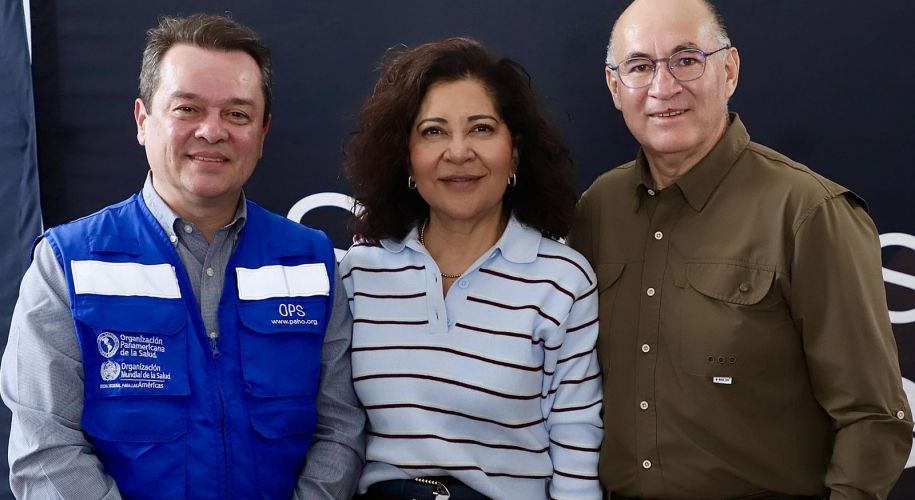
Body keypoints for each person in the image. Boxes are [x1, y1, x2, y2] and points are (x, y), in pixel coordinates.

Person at [0, 14, 364, 499]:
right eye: (187, 109)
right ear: (142, 120)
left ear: (262, 133)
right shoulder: (67, 265)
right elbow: (45, 450)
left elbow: (340, 431)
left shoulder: (312, 263)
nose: (212, 131)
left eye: (237, 114)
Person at [567, 0, 913, 498]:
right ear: (615, 86)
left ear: (728, 70)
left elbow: (873, 418)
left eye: (686, 60)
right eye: (639, 66)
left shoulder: (809, 213)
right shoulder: (599, 208)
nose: (663, 87)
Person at [341, 38, 602, 500]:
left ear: (514, 152)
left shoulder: (563, 281)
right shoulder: (360, 273)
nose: (458, 152)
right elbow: (334, 430)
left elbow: (576, 437)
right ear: (406, 157)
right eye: (433, 131)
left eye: (481, 129)